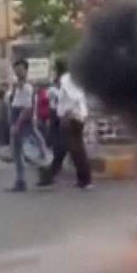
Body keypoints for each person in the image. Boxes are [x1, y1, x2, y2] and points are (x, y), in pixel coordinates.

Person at [38, 59, 93, 189]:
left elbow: (73, 97)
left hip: (71, 118)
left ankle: (83, 179)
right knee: (72, 149)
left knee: (72, 149)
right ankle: (82, 179)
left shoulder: (66, 79)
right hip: (76, 116)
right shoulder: (75, 78)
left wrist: (67, 112)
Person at [7, 59, 40, 192]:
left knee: (26, 151)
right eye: (15, 69)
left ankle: (25, 179)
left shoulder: (27, 87)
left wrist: (17, 124)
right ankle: (21, 180)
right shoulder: (18, 86)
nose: (17, 71)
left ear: (26, 70)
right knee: (21, 151)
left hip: (22, 119)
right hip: (18, 117)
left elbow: (27, 108)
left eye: (20, 68)